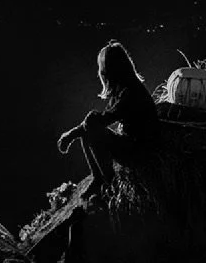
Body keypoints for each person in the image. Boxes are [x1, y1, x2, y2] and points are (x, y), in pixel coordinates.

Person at [56, 40, 159, 186]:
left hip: (141, 152)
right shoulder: (124, 87)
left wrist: (71, 134)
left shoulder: (130, 93)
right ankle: (98, 179)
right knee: (89, 128)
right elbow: (99, 120)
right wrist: (73, 134)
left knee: (91, 126)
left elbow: (101, 120)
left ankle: (110, 184)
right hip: (135, 144)